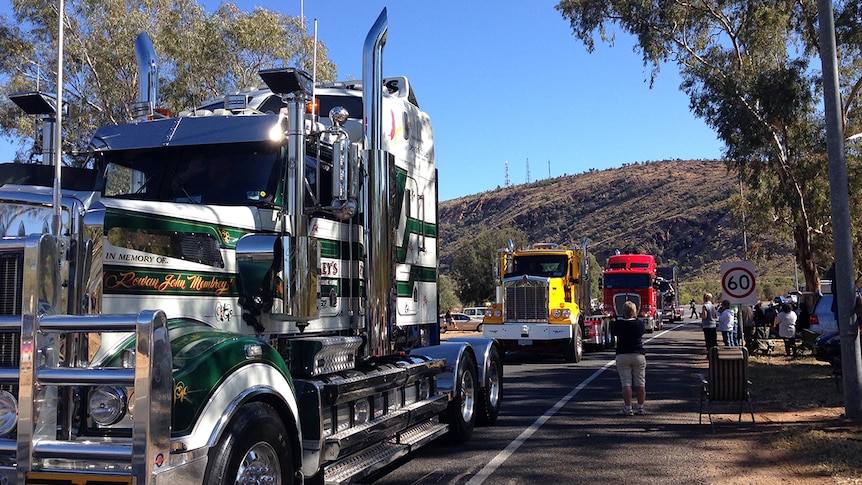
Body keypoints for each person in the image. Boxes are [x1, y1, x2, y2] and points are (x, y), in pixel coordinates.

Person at [611, 301, 646, 416]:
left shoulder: (618, 324)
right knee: (640, 382)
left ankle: (628, 407)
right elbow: (642, 332)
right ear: (635, 311)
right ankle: (640, 407)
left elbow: (614, 331)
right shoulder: (639, 324)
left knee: (626, 383)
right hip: (638, 354)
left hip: (623, 354)